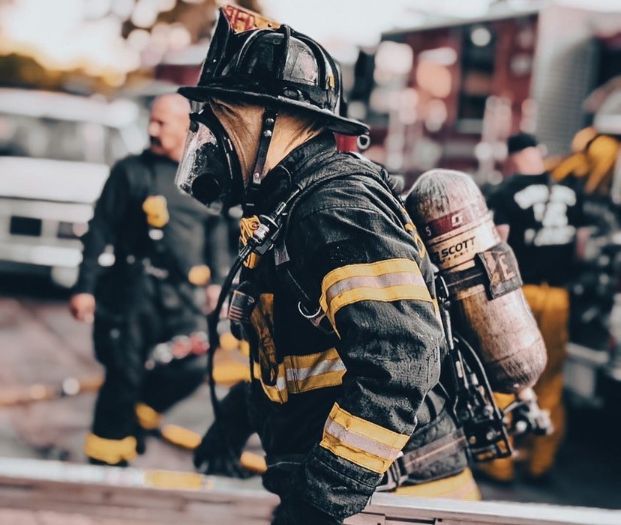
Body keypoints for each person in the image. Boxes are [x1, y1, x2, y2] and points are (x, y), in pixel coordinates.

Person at [177, 10, 478, 525]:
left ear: (277, 120)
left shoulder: (333, 209)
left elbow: (401, 355)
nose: (211, 135)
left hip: (393, 500)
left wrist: (322, 501)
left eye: (226, 114)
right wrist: (239, 416)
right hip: (362, 495)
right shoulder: (287, 208)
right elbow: (303, 360)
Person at [69, 94, 216, 466]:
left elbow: (219, 233)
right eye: (152, 121)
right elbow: (99, 232)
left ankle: (139, 417)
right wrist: (85, 288)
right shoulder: (129, 171)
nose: (152, 130)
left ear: (188, 127)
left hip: (181, 295)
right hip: (130, 291)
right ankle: (104, 459)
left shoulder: (205, 177)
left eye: (162, 123)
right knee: (124, 374)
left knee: (194, 364)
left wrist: (217, 282)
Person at [486, 133, 585, 481]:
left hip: (519, 296)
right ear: (539, 154)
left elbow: (499, 246)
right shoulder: (571, 194)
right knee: (550, 378)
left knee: (507, 373)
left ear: (512, 158)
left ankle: (500, 463)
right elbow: (582, 249)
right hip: (558, 296)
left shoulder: (506, 192)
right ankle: (541, 461)